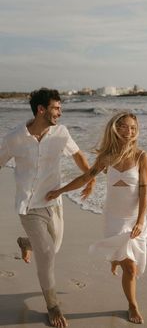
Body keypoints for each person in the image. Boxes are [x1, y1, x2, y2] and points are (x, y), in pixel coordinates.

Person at [0, 88, 95, 328]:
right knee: (47, 253)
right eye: (56, 108)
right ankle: (52, 305)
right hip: (28, 205)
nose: (60, 113)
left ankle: (26, 242)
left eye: (60, 108)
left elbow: (77, 154)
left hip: (53, 202)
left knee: (54, 245)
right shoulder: (14, 137)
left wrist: (90, 177)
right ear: (41, 109)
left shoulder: (61, 133)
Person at [46, 111, 147, 324]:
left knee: (132, 265)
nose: (129, 132)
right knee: (129, 267)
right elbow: (86, 177)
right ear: (115, 129)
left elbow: (144, 191)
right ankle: (132, 303)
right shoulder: (106, 157)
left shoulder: (142, 156)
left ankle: (116, 260)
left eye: (133, 128)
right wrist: (60, 191)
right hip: (113, 217)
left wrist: (140, 220)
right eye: (124, 127)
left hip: (133, 218)